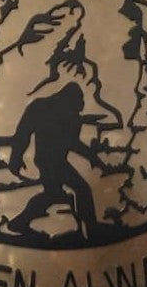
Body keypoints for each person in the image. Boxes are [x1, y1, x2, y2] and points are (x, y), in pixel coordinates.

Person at [8, 82, 103, 239]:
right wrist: (15, 158)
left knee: (53, 194)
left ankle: (19, 222)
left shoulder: (69, 115)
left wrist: (94, 158)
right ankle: (91, 230)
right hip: (47, 161)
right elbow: (23, 133)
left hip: (57, 161)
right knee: (81, 189)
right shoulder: (40, 107)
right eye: (79, 101)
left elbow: (73, 143)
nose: (80, 106)